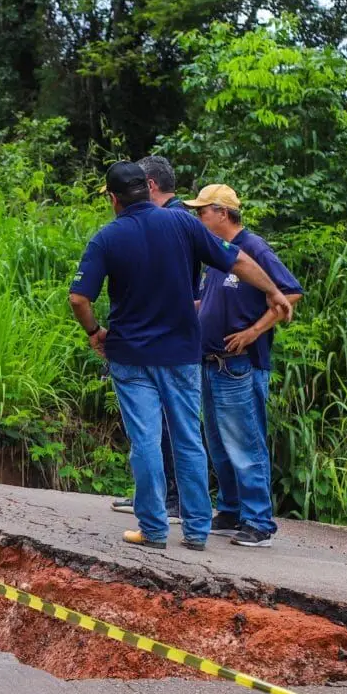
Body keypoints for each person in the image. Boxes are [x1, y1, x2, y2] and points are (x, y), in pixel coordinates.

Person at [68, 162, 293, 551]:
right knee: (189, 439)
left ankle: (154, 529)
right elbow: (236, 259)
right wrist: (273, 291)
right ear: (147, 187)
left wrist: (94, 333)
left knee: (146, 441)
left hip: (131, 355)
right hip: (182, 355)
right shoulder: (184, 225)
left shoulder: (107, 237)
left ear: (113, 197)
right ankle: (196, 531)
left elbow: (78, 297)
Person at [188, 184, 304, 548]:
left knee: (244, 440)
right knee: (219, 442)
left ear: (222, 212)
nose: (198, 218)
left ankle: (258, 520)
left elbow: (290, 292)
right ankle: (231, 509)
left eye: (202, 211)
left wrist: (254, 331)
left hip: (240, 363)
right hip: (210, 360)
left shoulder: (253, 249)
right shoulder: (215, 254)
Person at [112, 154, 194, 519]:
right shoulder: (168, 221)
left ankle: (170, 502)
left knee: (169, 428)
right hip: (163, 337)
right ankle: (160, 501)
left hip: (164, 339)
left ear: (150, 187)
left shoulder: (174, 219)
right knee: (159, 428)